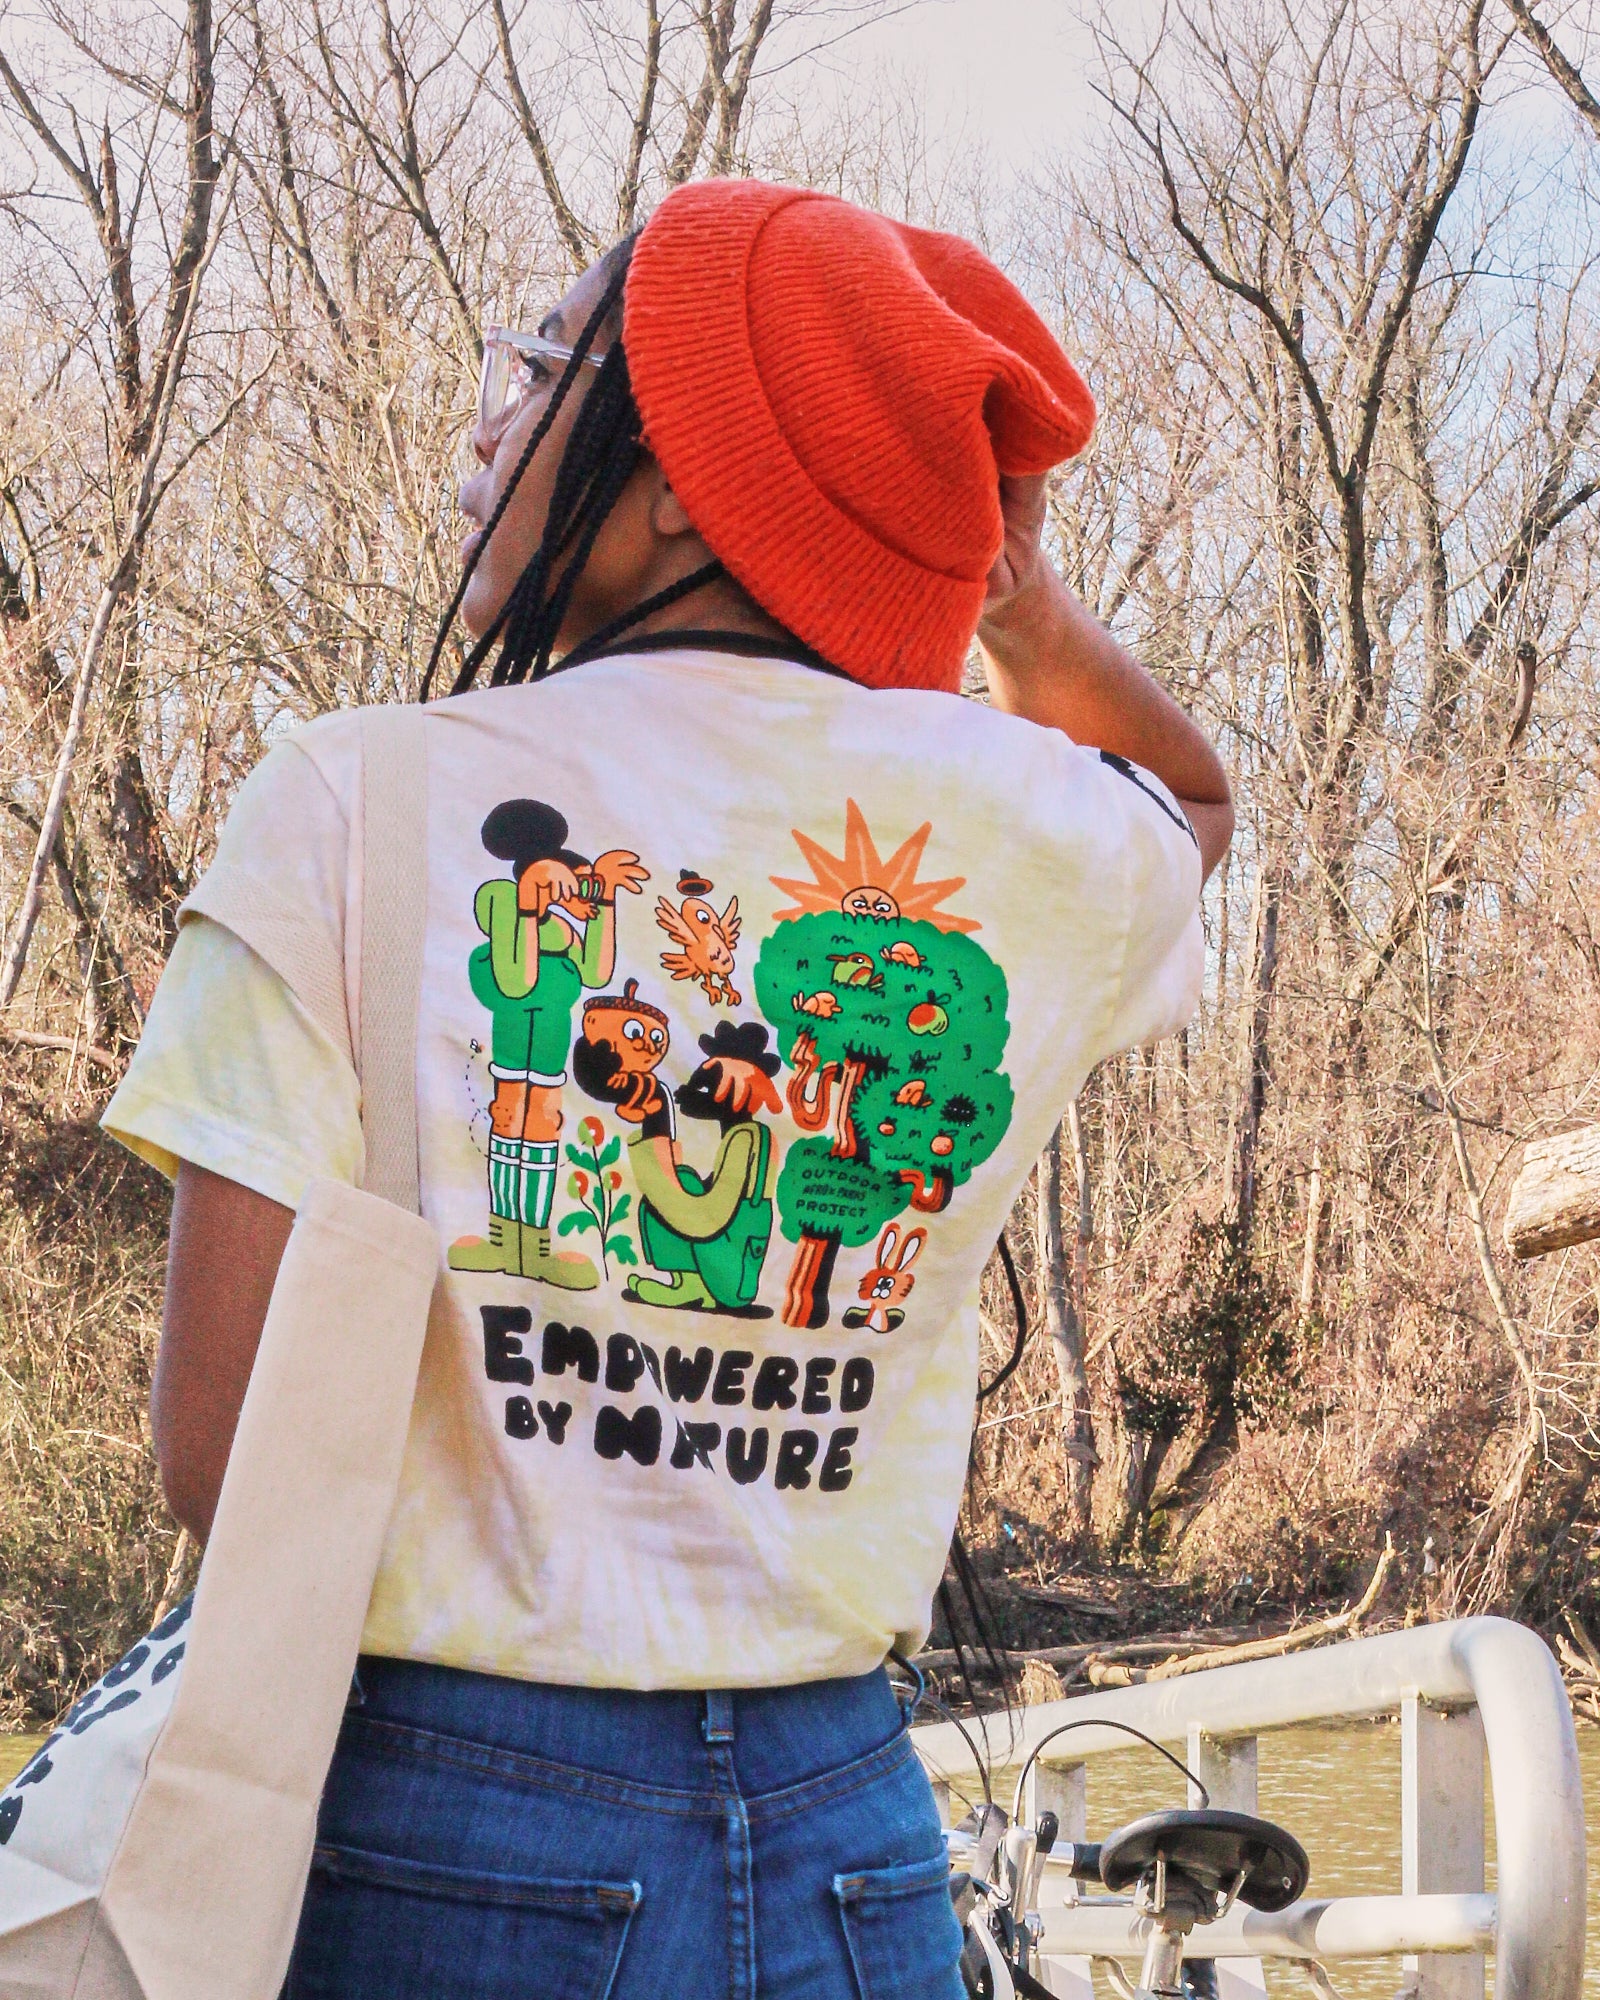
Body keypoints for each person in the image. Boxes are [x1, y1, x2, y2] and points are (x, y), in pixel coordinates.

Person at [104, 178, 1232, 1999]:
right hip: (854, 1830)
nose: (490, 419)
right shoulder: (1037, 835)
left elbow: (218, 1457)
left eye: (543, 364)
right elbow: (1196, 804)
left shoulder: (356, 798)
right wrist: (1005, 599)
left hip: (443, 1830)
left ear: (690, 476)